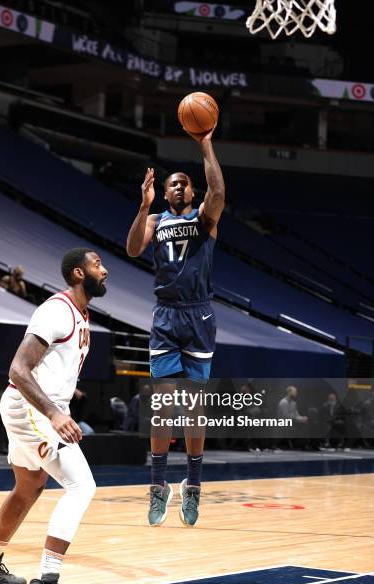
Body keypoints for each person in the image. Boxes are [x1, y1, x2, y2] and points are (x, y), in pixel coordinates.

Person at [0, 248, 108, 584]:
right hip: (31, 407)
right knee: (82, 486)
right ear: (78, 274)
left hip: (35, 407)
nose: (106, 270)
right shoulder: (57, 310)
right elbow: (18, 370)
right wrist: (54, 413)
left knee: (28, 487)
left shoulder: (82, 316)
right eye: (97, 264)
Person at [126, 124, 225, 527]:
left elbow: (218, 193)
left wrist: (206, 144)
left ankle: (194, 485)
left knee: (194, 410)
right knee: (164, 406)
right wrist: (142, 206)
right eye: (173, 184)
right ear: (165, 193)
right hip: (166, 314)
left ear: (193, 191)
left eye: (185, 183)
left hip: (198, 314)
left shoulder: (206, 219)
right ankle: (158, 485)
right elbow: (133, 248)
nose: (180, 187)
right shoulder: (155, 219)